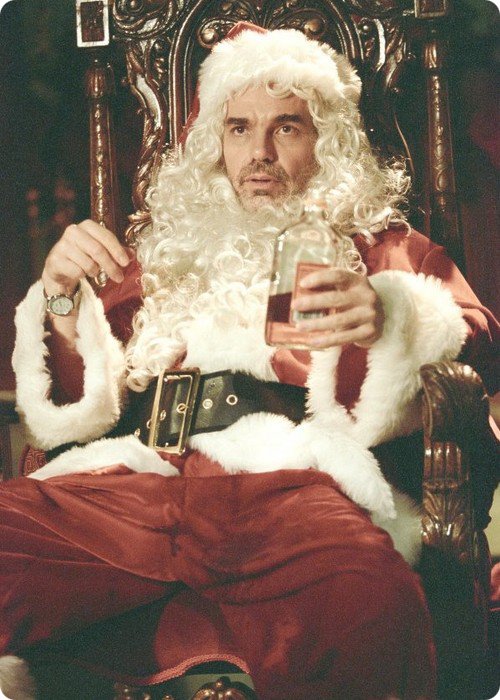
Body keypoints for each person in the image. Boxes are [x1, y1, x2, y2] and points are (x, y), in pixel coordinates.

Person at [0, 24, 498, 700]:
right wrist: (60, 299)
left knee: (367, 604)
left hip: (286, 489)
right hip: (137, 481)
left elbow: (476, 341)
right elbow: (76, 403)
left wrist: (390, 316)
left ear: (327, 140)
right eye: (238, 128)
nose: (258, 154)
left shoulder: (381, 246)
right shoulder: (168, 249)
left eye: (286, 127)